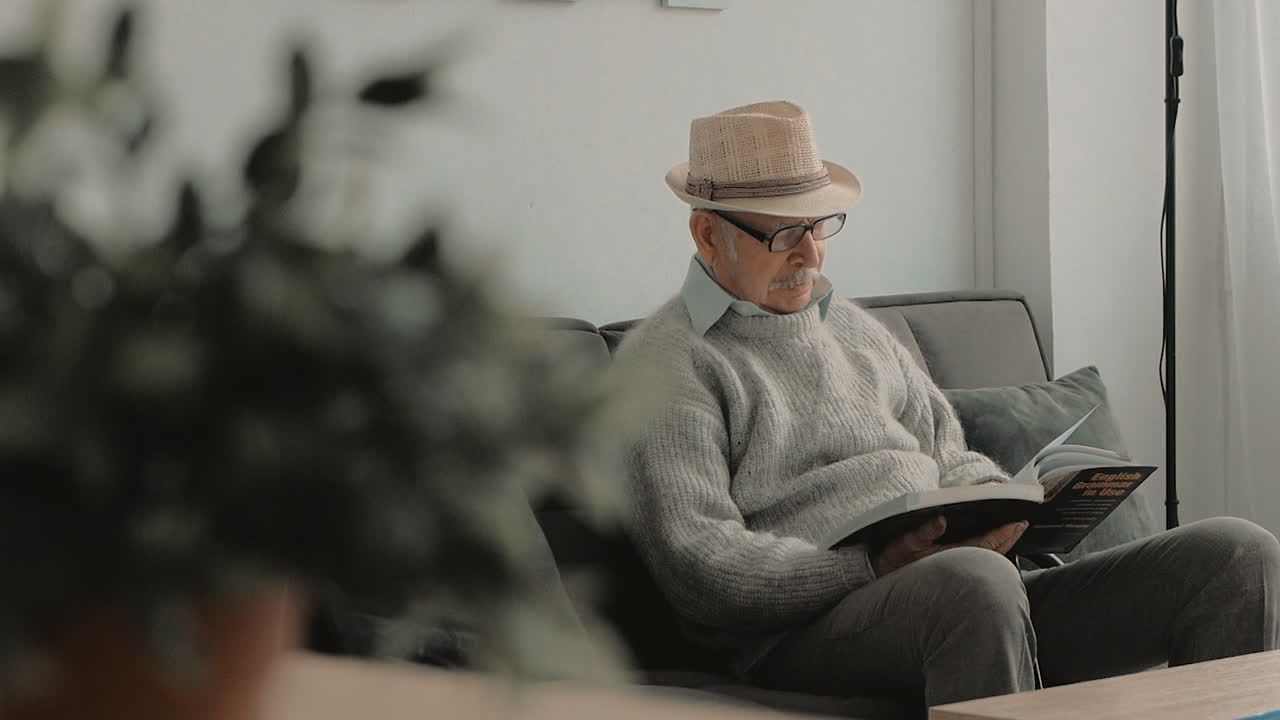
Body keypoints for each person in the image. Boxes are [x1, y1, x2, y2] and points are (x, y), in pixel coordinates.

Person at [617, 100, 1280, 708]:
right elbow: (700, 565)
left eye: (820, 226)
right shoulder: (669, 361)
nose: (812, 254)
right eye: (783, 236)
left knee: (1236, 555)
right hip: (805, 634)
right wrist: (870, 564)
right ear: (708, 235)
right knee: (971, 584)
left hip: (964, 590)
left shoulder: (850, 328)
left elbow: (947, 455)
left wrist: (995, 501)